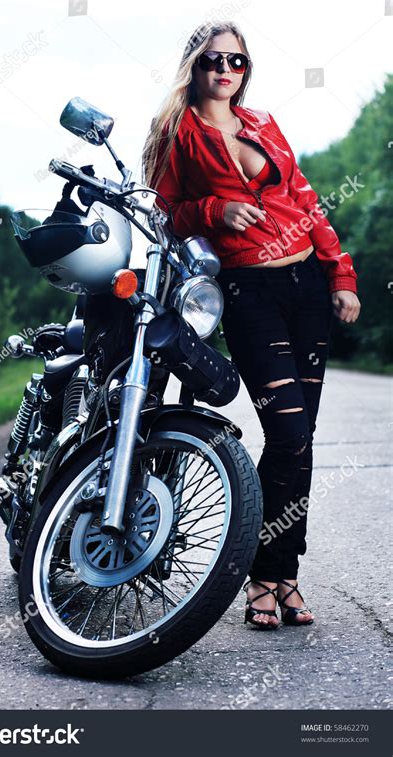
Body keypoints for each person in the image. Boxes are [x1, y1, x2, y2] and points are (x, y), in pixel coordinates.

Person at [142, 21, 360, 629]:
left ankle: (281, 576)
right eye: (214, 60)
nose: (225, 71)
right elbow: (164, 214)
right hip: (248, 290)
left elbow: (307, 200)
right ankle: (259, 572)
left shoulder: (262, 121)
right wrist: (214, 209)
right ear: (195, 65)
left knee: (302, 441)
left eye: (236, 61)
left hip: (306, 283)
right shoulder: (177, 132)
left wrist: (341, 275)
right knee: (287, 435)